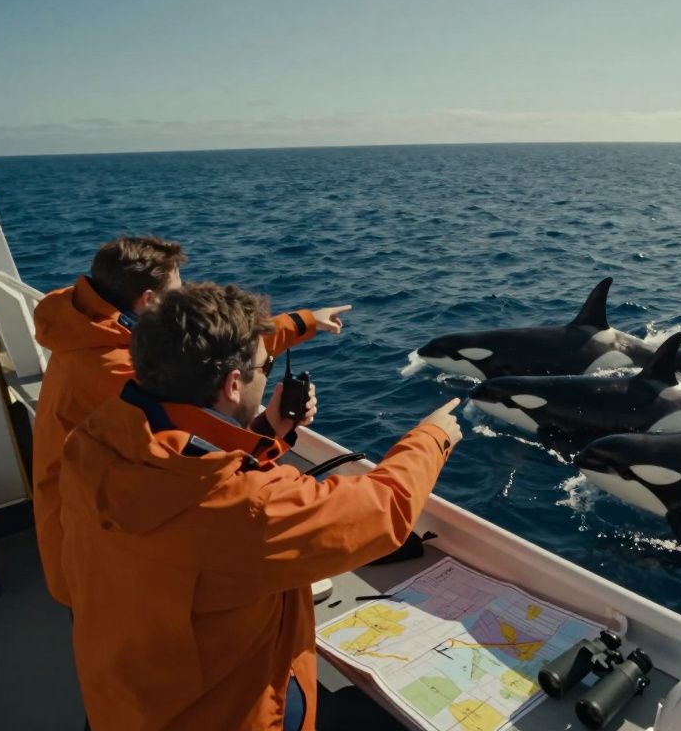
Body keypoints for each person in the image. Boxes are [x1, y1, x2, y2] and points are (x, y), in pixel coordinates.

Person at [58, 282, 461, 730]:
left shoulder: (92, 442)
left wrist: (266, 429)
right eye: (264, 364)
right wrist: (432, 436)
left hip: (124, 701)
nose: (267, 372)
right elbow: (383, 508)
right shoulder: (246, 506)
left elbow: (190, 467)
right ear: (233, 384)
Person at [31, 235, 352, 607]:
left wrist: (302, 323)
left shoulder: (86, 329)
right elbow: (211, 456)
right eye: (177, 294)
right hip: (95, 553)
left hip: (88, 515)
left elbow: (208, 348)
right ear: (149, 302)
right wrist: (270, 432)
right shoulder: (123, 371)